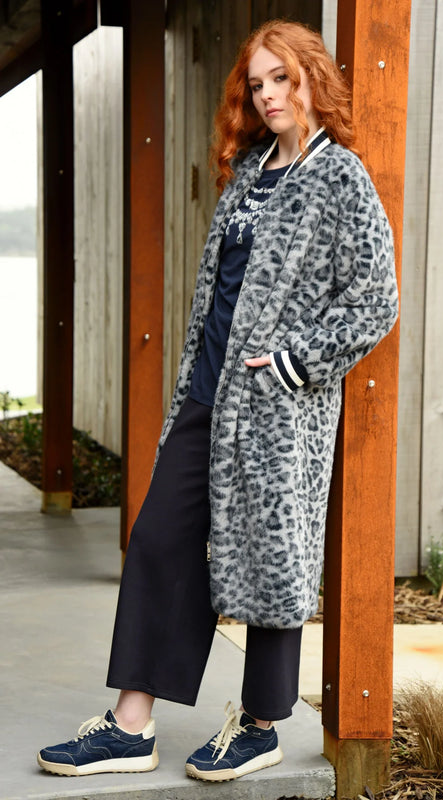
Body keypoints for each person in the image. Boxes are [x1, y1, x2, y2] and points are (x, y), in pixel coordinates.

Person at [37, 19, 398, 782]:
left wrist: (294, 362)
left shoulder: (341, 178)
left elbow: (374, 301)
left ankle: (260, 724)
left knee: (273, 556)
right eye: (256, 83)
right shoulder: (251, 171)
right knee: (159, 540)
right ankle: (131, 727)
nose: (267, 95)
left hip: (277, 407)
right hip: (207, 394)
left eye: (280, 79)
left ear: (311, 78)